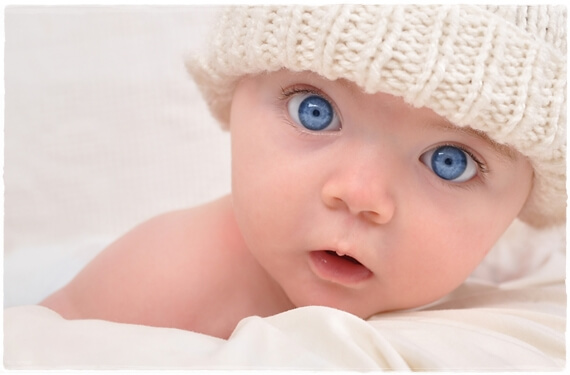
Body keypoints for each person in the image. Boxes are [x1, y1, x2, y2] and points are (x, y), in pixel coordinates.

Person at [39, 4, 566, 340]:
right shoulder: (165, 279)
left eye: (449, 162)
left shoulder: (510, 303)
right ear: (235, 97)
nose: (360, 195)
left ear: (520, 205)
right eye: (315, 111)